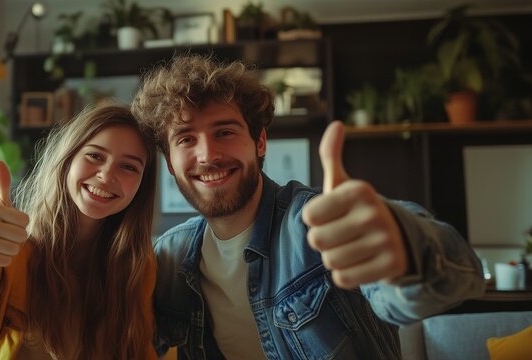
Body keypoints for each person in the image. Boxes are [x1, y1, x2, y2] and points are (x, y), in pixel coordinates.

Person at [131, 55, 485, 359]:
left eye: (224, 132)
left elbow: (457, 276)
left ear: (260, 141)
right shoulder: (169, 258)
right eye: (186, 139)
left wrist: (407, 247)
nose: (207, 155)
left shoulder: (319, 222)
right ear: (169, 161)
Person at [0, 105, 160, 359]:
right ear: (68, 160)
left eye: (129, 167)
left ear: (142, 185)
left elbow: (140, 349)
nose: (107, 175)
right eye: (95, 156)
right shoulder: (9, 250)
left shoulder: (138, 266)